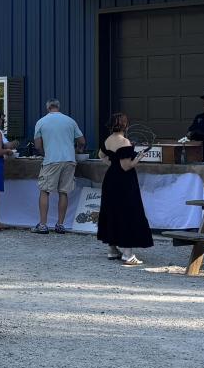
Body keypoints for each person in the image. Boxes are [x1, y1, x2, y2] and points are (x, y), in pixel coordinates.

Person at [96, 112, 153, 265]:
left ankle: (112, 249)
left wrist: (112, 165)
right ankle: (128, 254)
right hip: (124, 182)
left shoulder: (108, 139)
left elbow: (101, 155)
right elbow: (126, 166)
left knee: (112, 211)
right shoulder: (125, 141)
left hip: (110, 179)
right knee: (128, 212)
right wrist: (139, 158)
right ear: (125, 125)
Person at [31, 99, 86, 234]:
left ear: (48, 107)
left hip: (51, 160)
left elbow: (38, 146)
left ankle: (43, 225)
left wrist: (45, 153)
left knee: (45, 191)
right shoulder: (70, 121)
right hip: (69, 160)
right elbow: (82, 141)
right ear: (58, 107)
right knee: (63, 192)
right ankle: (60, 224)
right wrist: (78, 150)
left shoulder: (41, 122)